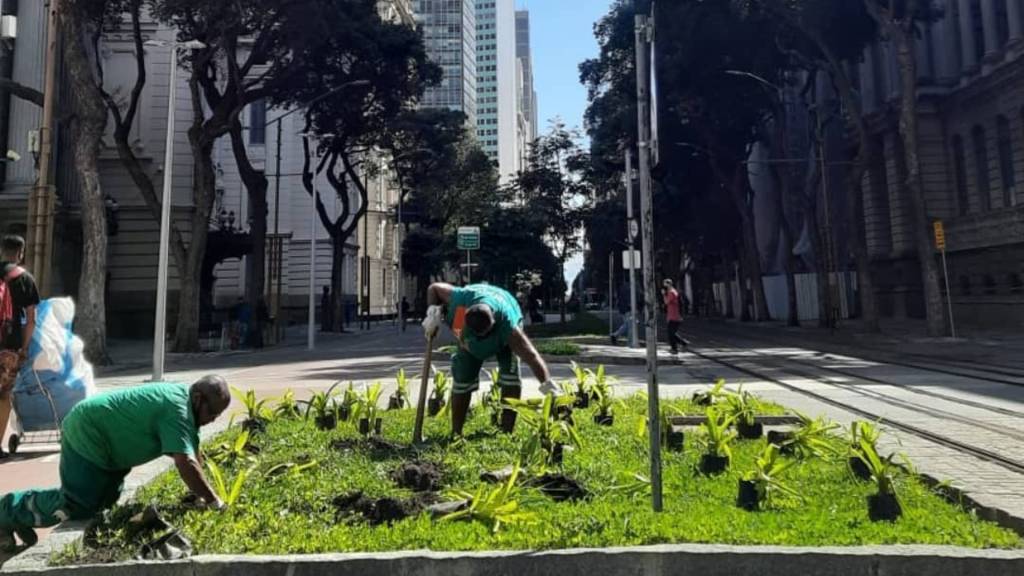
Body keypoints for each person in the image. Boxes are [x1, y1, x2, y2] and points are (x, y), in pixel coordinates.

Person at [0, 375, 232, 551]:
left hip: (108, 448)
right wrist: (215, 502)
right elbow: (186, 464)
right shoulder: (178, 410)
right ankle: (7, 511)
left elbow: (192, 455)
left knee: (105, 502)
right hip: (88, 434)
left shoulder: (185, 404)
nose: (213, 420)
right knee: (75, 504)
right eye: (212, 413)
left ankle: (18, 517)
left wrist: (200, 494)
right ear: (198, 398)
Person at [421, 282, 557, 437]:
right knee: (462, 376)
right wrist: (432, 313)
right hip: (465, 329)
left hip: (503, 331)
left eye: (485, 335)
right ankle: (456, 432)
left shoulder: (509, 327)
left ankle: (507, 432)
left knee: (511, 378)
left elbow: (532, 357)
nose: (482, 339)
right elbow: (433, 288)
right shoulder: (460, 301)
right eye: (478, 336)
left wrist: (550, 389)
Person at [0, 235, 40, 458]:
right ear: (21, 253)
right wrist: (24, 348)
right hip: (10, 347)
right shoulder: (24, 278)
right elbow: (31, 320)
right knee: (3, 395)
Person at [662, 279, 685, 354]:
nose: (664, 287)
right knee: (672, 333)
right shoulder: (672, 292)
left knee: (671, 333)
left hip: (674, 316)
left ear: (669, 284)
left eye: (665, 285)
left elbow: (666, 302)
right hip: (673, 315)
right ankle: (682, 343)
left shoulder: (671, 292)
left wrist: (664, 295)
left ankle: (675, 348)